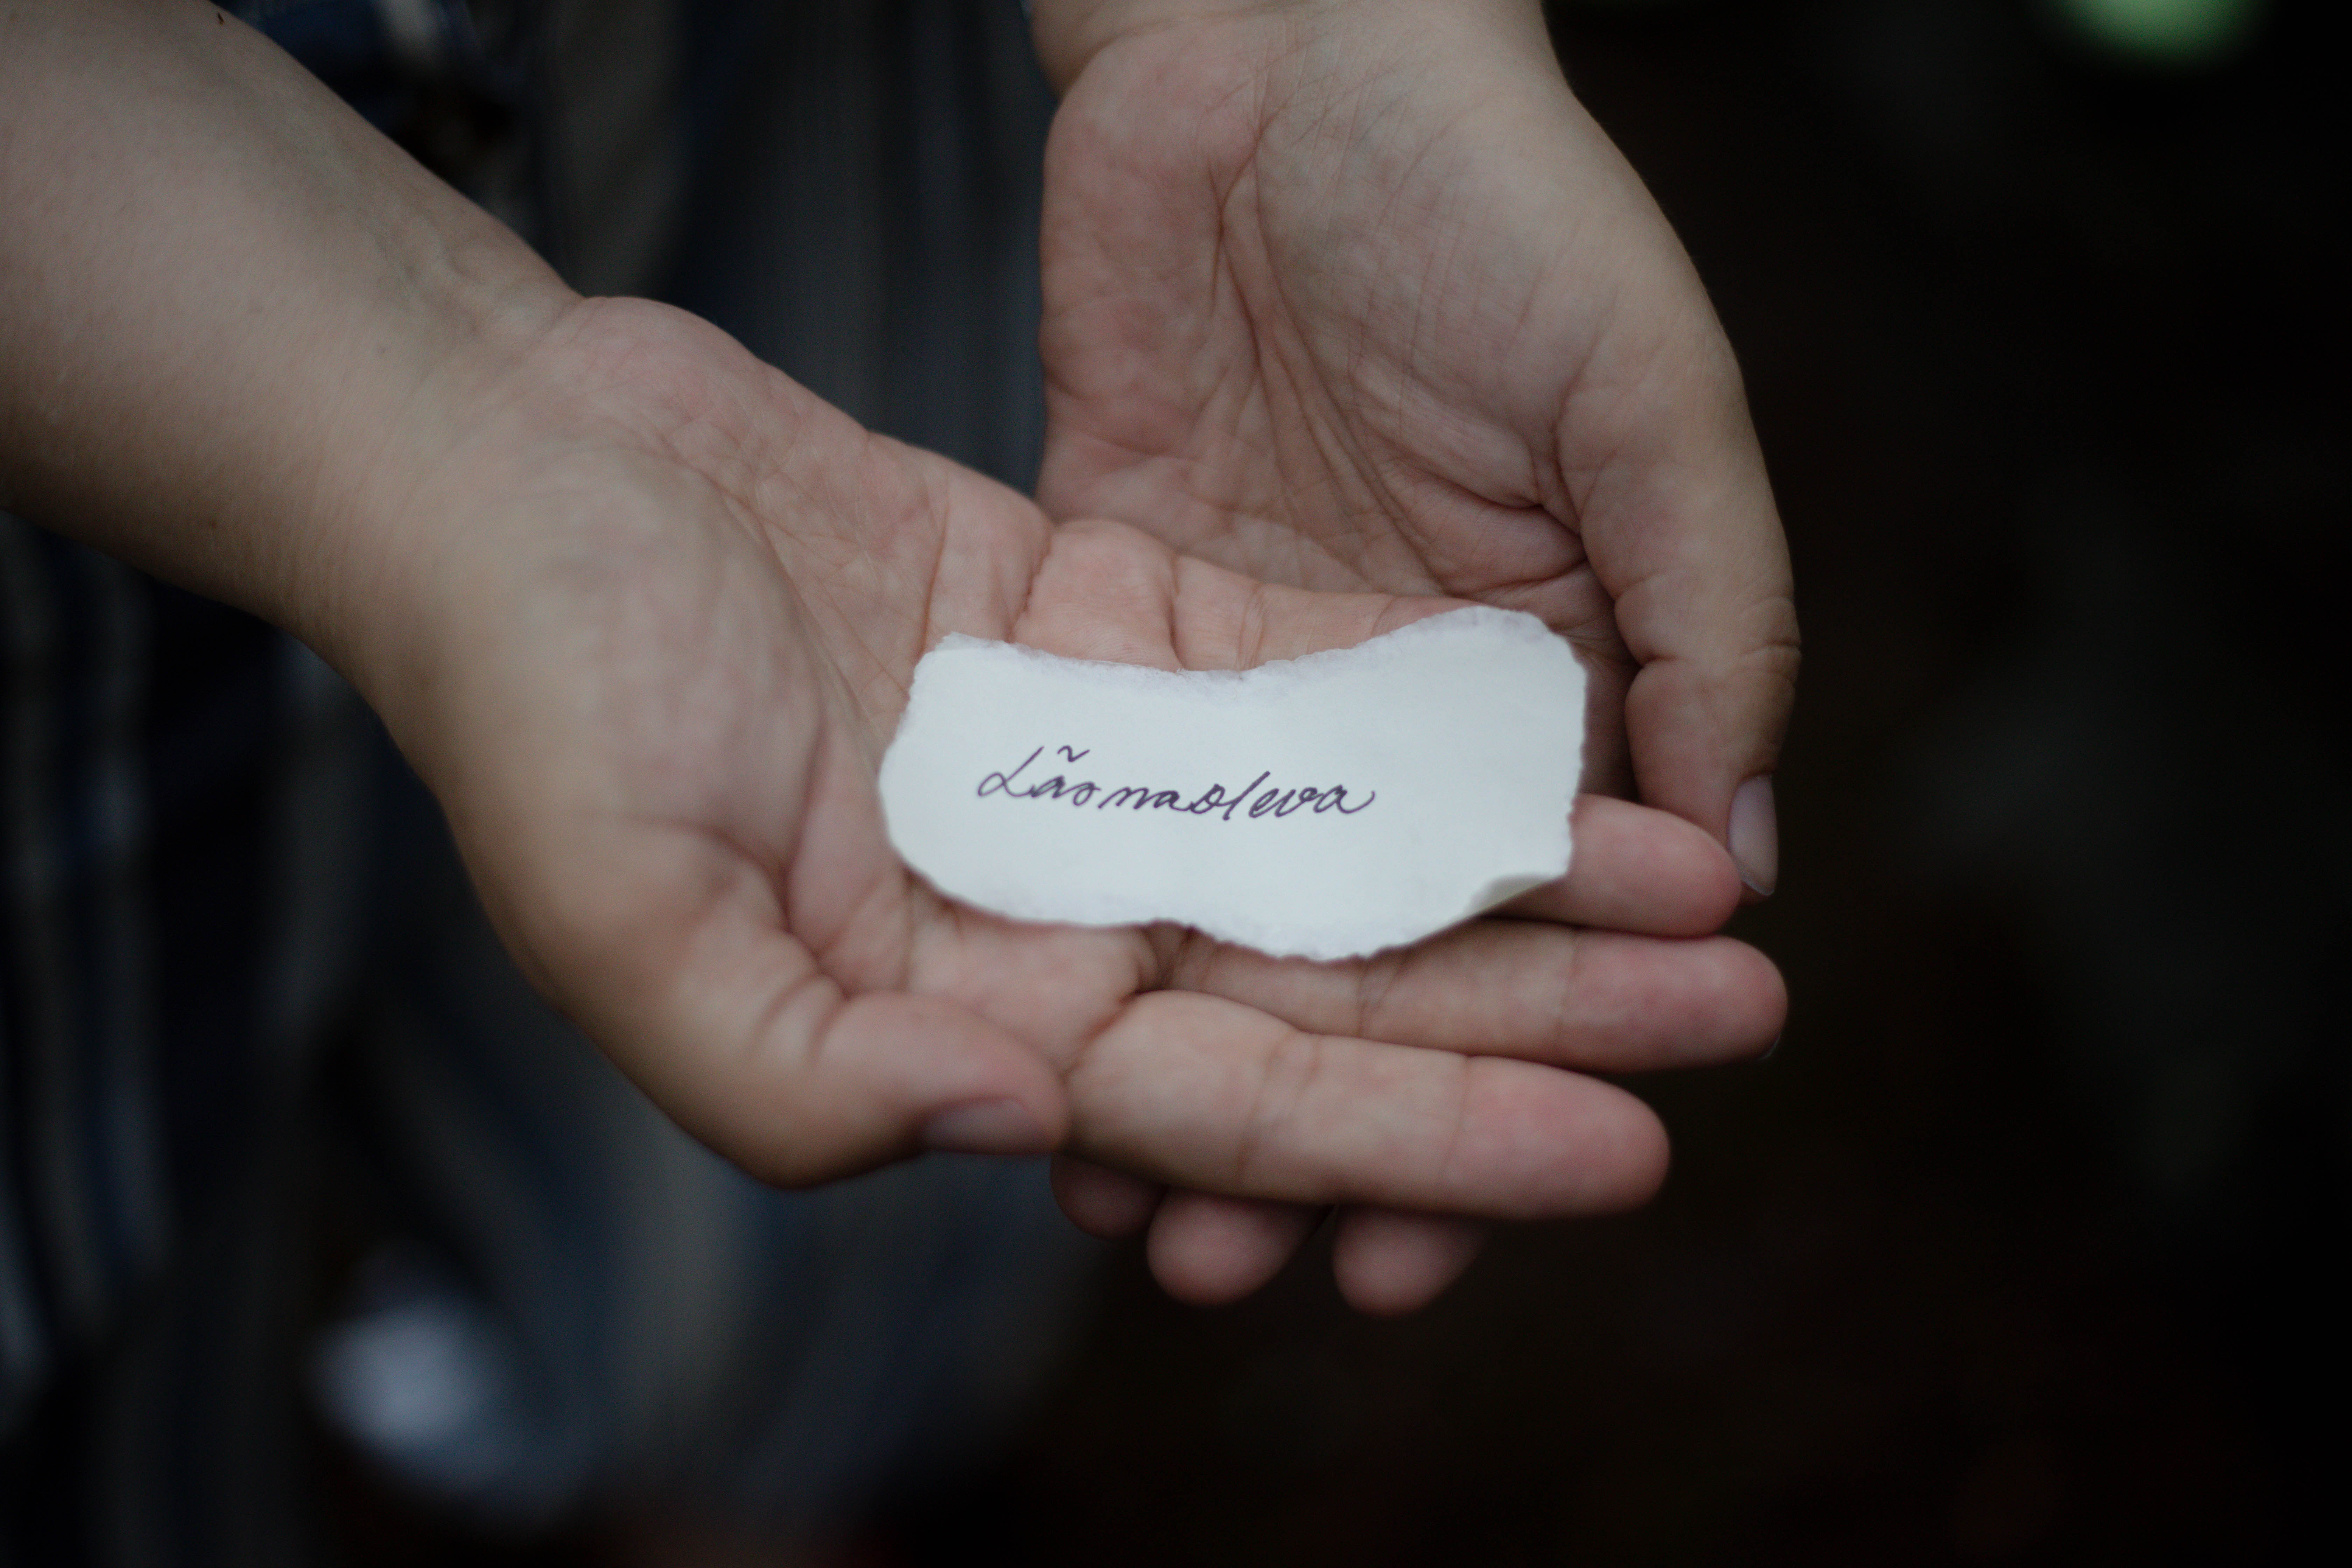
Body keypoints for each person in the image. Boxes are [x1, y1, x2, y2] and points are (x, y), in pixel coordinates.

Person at [1, 0, 1793, 1550]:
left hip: (777, 106)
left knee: (791, 1170)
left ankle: (753, 1480)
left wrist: (1281, 32)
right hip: (73, 368)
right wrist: (425, 421)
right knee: (92, 1288)